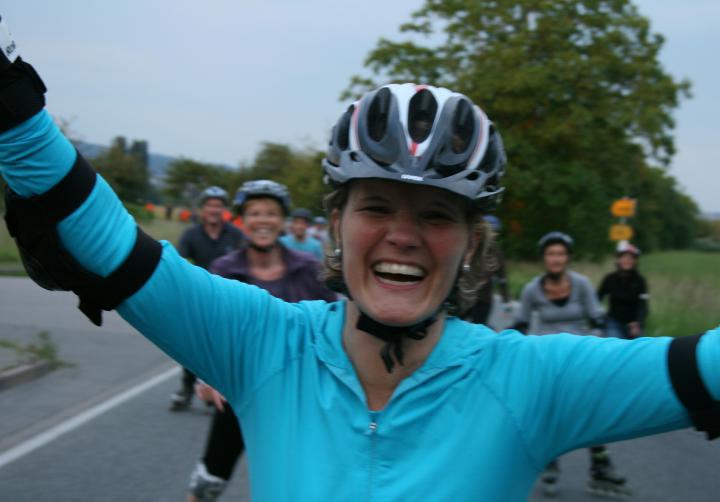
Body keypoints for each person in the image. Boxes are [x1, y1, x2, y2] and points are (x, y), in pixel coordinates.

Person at [2, 37, 720, 500]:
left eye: (437, 215)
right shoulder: (262, 342)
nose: (403, 236)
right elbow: (110, 246)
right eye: (376, 206)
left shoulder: (531, 380)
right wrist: (10, 100)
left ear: (473, 243)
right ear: (337, 225)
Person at [186, 180, 336, 502]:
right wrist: (205, 377)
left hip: (298, 399)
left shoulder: (309, 270)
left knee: (301, 488)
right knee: (207, 483)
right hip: (239, 393)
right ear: (242, 220)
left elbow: (335, 328)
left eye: (271, 213)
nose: (263, 220)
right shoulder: (225, 270)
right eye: (255, 213)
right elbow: (206, 332)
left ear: (282, 221)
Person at [513, 232, 629, 497]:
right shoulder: (532, 289)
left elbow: (597, 319)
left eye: (560, 254)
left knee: (590, 410)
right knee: (550, 411)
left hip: (579, 358)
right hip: (545, 360)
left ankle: (601, 467)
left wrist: (597, 345)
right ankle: (550, 463)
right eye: (551, 254)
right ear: (544, 258)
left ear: (567, 258)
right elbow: (520, 324)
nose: (556, 259)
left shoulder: (581, 284)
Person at [170, 186, 245, 411]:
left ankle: (219, 391)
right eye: (210, 205)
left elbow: (246, 263)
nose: (214, 209)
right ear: (203, 209)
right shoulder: (191, 235)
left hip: (229, 300)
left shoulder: (235, 235)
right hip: (198, 299)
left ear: (224, 210)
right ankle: (187, 388)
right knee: (193, 346)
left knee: (223, 348)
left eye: (218, 205)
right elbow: (180, 263)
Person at [460, 215, 510, 328]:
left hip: (483, 298)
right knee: (455, 325)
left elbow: (502, 278)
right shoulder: (468, 248)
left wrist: (506, 299)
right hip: (464, 296)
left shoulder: (496, 253)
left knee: (479, 328)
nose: (492, 235)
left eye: (495, 232)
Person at [598, 241, 649, 339]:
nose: (627, 261)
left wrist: (638, 322)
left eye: (631, 258)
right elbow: (597, 298)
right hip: (614, 322)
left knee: (638, 346)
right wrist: (600, 316)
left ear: (635, 261)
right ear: (618, 259)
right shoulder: (609, 279)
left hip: (634, 324)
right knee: (614, 345)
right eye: (624, 257)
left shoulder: (640, 281)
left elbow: (643, 305)